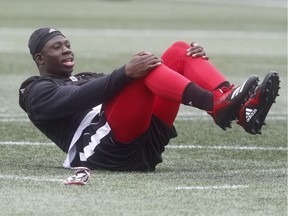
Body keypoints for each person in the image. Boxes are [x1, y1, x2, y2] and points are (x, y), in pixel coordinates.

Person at [19, 27, 280, 173]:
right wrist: (125, 72)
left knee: (180, 50)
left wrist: (187, 63)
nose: (66, 49)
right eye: (57, 47)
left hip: (140, 138)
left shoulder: (86, 76)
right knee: (141, 68)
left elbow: (125, 86)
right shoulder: (34, 89)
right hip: (100, 151)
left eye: (67, 43)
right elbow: (75, 99)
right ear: (40, 59)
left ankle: (240, 109)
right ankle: (219, 105)